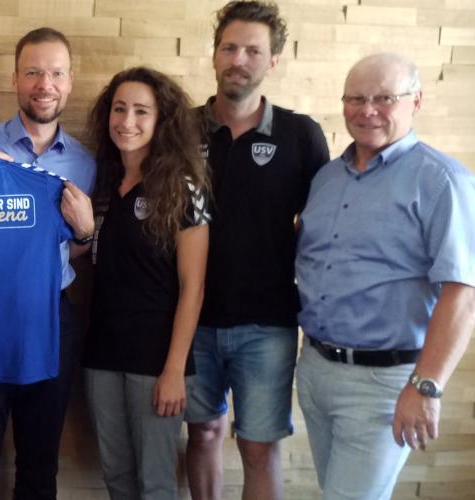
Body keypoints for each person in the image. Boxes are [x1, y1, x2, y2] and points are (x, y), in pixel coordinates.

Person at [295, 53, 475, 500]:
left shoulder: (440, 180)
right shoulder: (325, 179)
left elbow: (463, 292)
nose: (367, 110)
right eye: (356, 98)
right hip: (316, 370)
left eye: (383, 98)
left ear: (416, 101)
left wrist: (426, 386)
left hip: (384, 383)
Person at [182, 2, 330, 499]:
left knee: (259, 446)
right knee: (201, 434)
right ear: (215, 54)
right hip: (192, 322)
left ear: (273, 61)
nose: (238, 59)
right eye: (229, 47)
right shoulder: (182, 129)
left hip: (267, 325)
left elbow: (325, 229)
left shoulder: (300, 135)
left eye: (253, 50)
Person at [0, 27, 96, 500]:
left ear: (70, 82)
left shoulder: (85, 163)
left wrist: (86, 233)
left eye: (54, 73)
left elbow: (77, 243)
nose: (43, 84)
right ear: (15, 79)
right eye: (33, 72)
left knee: (39, 463)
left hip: (49, 314)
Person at [83, 66, 210, 500]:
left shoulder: (182, 186)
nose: (128, 121)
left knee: (155, 484)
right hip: (101, 354)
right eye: (120, 109)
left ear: (162, 121)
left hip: (156, 360)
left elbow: (194, 286)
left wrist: (174, 370)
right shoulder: (101, 182)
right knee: (117, 478)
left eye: (141, 111)